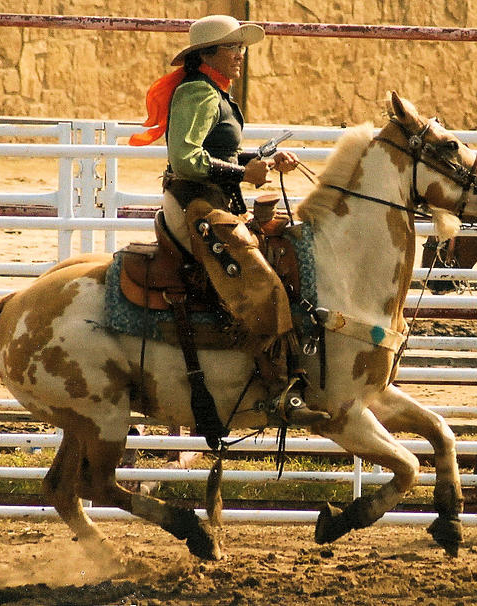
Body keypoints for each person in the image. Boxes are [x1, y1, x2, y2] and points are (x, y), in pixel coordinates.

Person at [130, 15, 313, 434]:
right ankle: (271, 382)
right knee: (261, 280)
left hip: (209, 200)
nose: (241, 56)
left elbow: (223, 158)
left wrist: (259, 163)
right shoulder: (197, 92)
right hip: (193, 203)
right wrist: (243, 174)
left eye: (241, 48)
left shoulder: (216, 94)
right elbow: (185, 159)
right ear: (208, 54)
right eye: (233, 48)